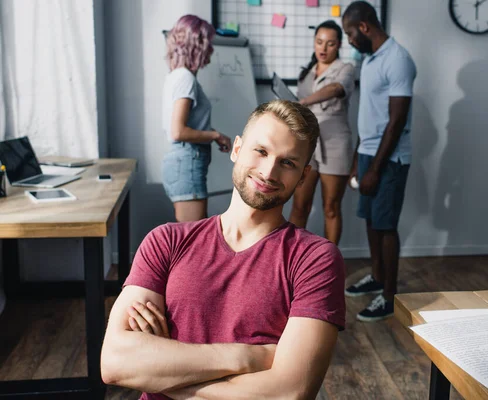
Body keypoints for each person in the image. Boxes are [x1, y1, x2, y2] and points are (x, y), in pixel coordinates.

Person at [101, 100, 346, 400]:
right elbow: (115, 363)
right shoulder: (166, 241)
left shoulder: (315, 259)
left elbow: (289, 392)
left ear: (304, 176)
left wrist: (165, 376)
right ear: (237, 149)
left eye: (288, 163)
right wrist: (244, 357)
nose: (269, 172)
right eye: (261, 151)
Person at [341, 1, 416, 322]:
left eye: (349, 34)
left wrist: (375, 169)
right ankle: (376, 276)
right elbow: (369, 116)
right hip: (369, 152)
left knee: (386, 225)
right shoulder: (370, 60)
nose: (348, 41)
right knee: (371, 221)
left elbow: (396, 121)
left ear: (364, 27)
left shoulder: (398, 60)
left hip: (391, 157)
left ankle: (389, 296)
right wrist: (360, 160)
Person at [289, 20, 356, 245]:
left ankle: (330, 264)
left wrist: (305, 101)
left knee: (331, 207)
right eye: (319, 42)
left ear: (338, 45)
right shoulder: (306, 73)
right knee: (300, 204)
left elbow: (336, 89)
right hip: (308, 144)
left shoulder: (346, 69)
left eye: (329, 44)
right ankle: (290, 260)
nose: (323, 49)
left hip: (335, 143)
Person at [162, 15, 232, 222]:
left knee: (196, 237)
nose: (211, 49)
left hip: (184, 162)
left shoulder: (176, 75)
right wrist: (215, 135)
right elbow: (179, 131)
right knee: (193, 240)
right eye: (208, 43)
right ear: (198, 45)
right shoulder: (185, 78)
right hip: (187, 161)